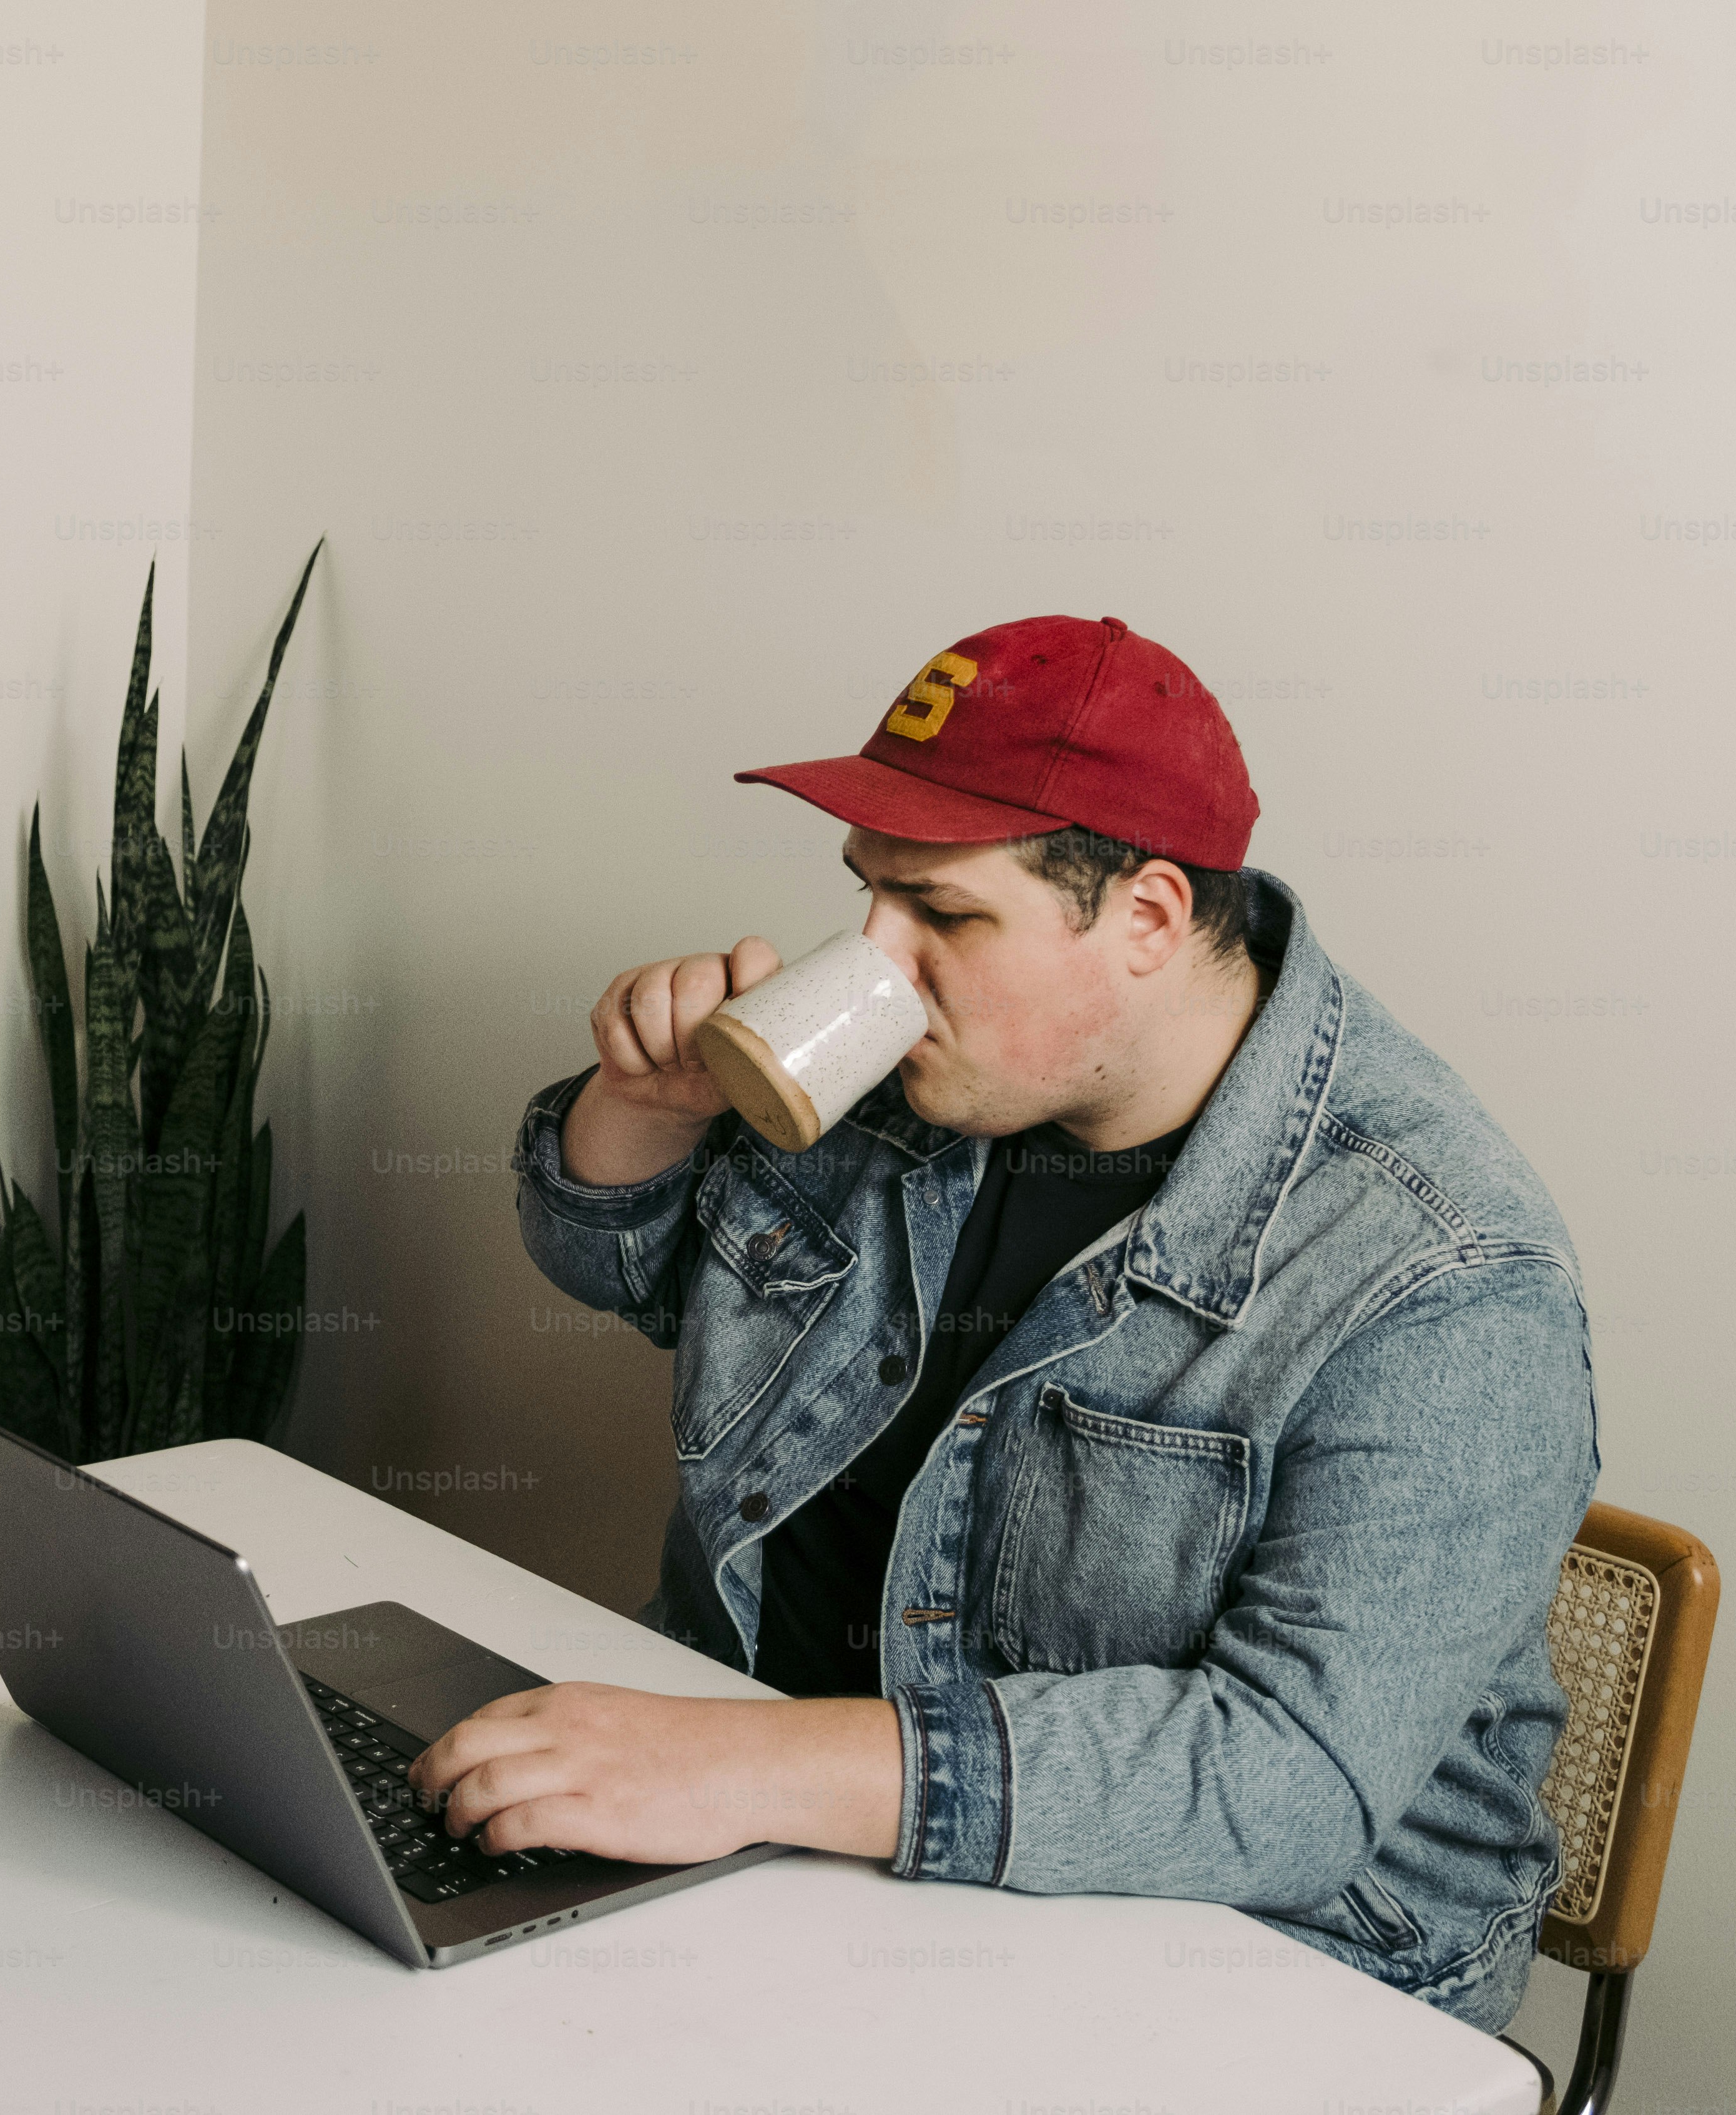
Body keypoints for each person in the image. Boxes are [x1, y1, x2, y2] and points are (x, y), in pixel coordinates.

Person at [408, 614, 1599, 2031]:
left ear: (1149, 917)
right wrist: (643, 1113)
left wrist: (745, 1763)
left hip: (1250, 1964)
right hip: (791, 1863)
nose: (877, 959)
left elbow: (1285, 1782)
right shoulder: (922, 1080)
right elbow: (627, 1267)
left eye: (945, 915)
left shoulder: (1447, 1275)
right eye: (869, 896)